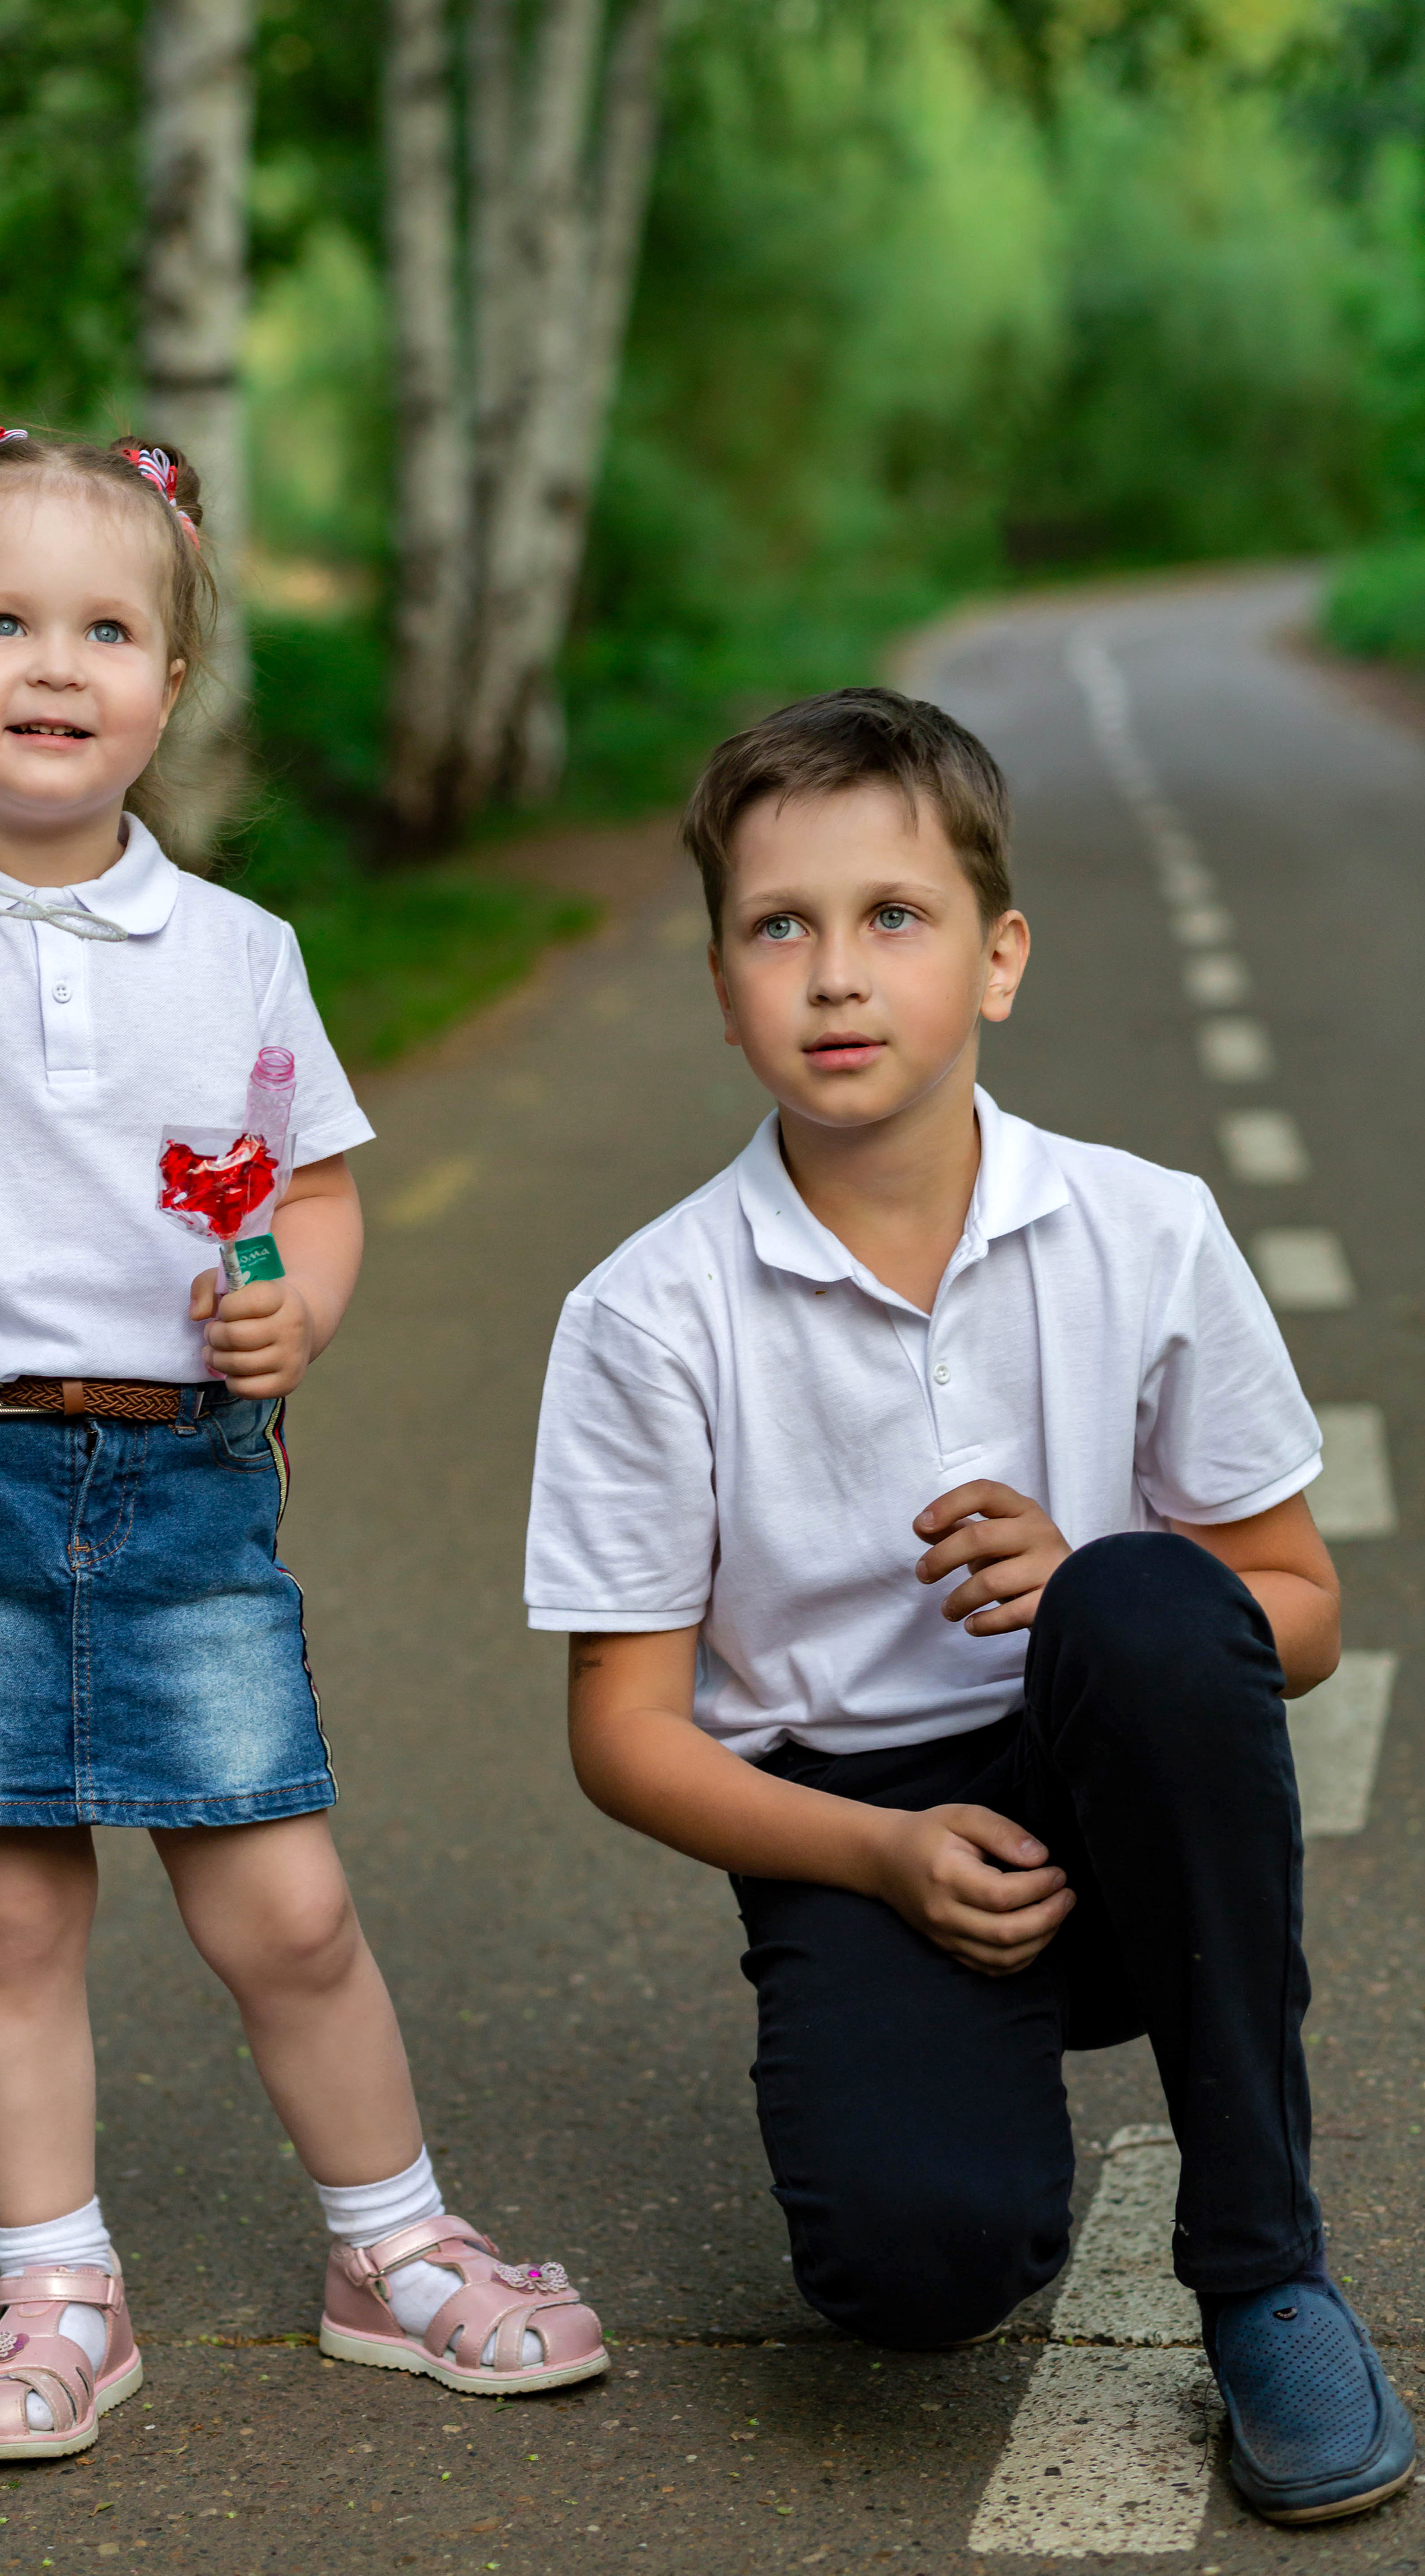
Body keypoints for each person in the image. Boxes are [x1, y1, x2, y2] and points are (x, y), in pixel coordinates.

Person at [0, 427, 605, 2463]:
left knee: (281, 1901)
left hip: (188, 1473)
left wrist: (306, 1300)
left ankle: (389, 2246)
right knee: (12, 1912)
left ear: (171, 688)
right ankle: (57, 2287)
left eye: (105, 628)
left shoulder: (240, 954)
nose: (52, 662)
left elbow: (322, 1185)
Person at [524, 686, 1415, 2528]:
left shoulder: (1144, 1230)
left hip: (1126, 1767)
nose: (836, 975)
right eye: (780, 927)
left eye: (893, 918)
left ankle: (1265, 2274)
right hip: (858, 1822)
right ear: (720, 981)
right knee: (914, 2279)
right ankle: (962, 2078)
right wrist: (880, 1861)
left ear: (999, 959)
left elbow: (1298, 1613)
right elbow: (622, 1729)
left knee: (1161, 1608)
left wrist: (1093, 1568)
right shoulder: (649, 1312)